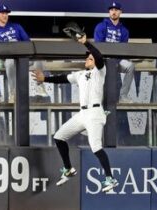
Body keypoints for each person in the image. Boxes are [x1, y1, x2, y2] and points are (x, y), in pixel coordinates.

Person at [32, 35, 118, 192]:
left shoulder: (100, 72)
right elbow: (62, 78)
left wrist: (86, 42)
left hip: (95, 113)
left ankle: (110, 179)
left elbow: (98, 56)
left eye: (90, 58)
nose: (88, 60)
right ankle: (68, 169)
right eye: (88, 58)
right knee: (59, 137)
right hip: (82, 113)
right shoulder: (79, 75)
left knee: (96, 147)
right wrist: (45, 79)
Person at [0, 4, 48, 103]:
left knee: (38, 59)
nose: (5, 15)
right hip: (8, 61)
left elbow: (27, 43)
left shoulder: (16, 27)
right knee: (10, 61)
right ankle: (13, 93)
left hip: (23, 58)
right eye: (2, 13)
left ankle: (40, 86)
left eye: (6, 13)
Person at [94, 1, 135, 103]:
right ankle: (97, 99)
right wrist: (107, 62)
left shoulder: (124, 30)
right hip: (102, 61)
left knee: (130, 66)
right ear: (109, 12)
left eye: (116, 10)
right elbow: (98, 48)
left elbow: (122, 50)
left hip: (117, 61)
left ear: (120, 12)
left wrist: (115, 63)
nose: (113, 12)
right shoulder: (101, 26)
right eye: (111, 10)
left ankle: (123, 96)